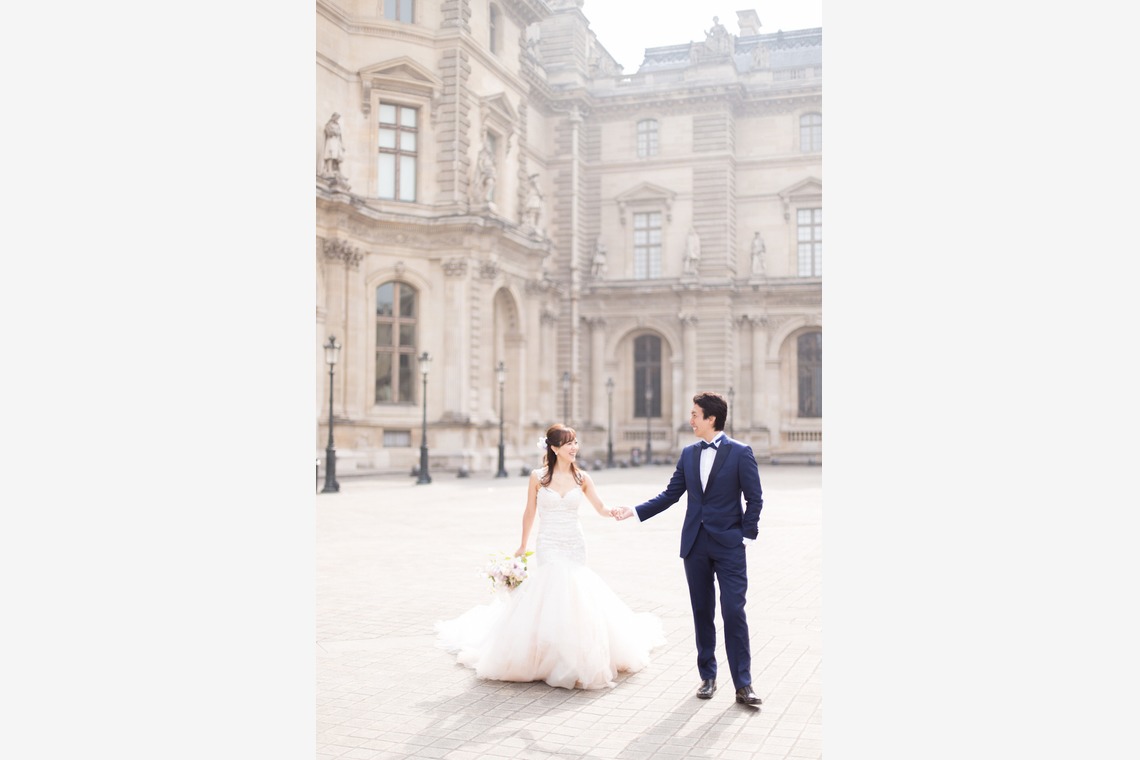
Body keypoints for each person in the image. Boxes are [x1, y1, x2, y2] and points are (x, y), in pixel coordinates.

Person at [436, 424, 664, 690]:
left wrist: (617, 511)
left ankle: (571, 655)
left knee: (575, 596)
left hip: (574, 543)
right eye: (569, 443)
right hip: (549, 543)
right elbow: (529, 512)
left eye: (576, 442)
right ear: (554, 448)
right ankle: (545, 655)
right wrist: (522, 545)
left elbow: (600, 508)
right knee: (552, 592)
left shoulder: (583, 478)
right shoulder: (538, 477)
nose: (574, 447)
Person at [613, 391, 764, 706]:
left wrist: (746, 536)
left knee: (734, 612)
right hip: (695, 544)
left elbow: (755, 497)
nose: (691, 419)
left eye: (695, 414)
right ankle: (707, 677)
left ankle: (743, 684)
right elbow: (670, 494)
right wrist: (636, 510)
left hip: (729, 546)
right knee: (701, 612)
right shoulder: (689, 453)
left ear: (711, 418)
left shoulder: (740, 452)